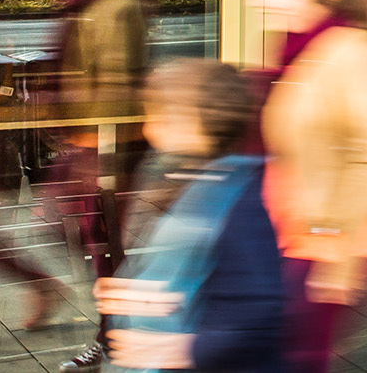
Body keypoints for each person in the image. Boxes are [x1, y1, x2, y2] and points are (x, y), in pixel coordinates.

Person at [254, 0, 367, 373]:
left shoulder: (354, 53)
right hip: (298, 230)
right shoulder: (297, 50)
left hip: (335, 237)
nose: (258, 1)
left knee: (296, 358)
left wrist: (336, 252)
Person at [97, 59, 286, 373]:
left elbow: (258, 313)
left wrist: (182, 349)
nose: (148, 129)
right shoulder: (186, 179)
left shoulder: (239, 201)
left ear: (197, 121)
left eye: (159, 115)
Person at [45, 0, 157, 372]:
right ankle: (120, 323)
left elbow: (115, 87)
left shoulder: (116, 7)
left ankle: (114, 331)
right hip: (87, 140)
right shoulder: (86, 4)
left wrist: (100, 154)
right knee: (78, 232)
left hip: (110, 143)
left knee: (101, 245)